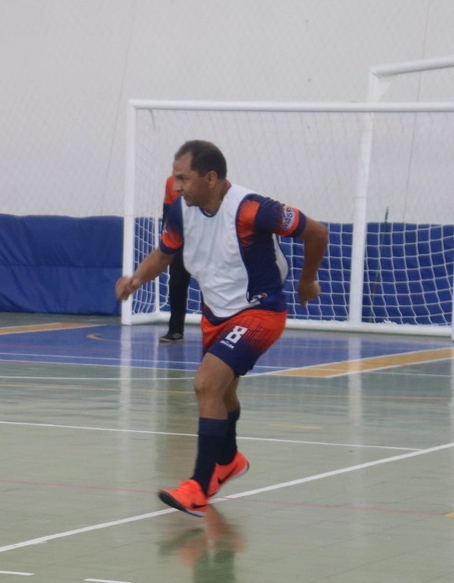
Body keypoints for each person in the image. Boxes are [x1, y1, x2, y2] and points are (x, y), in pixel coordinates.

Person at [116, 139, 328, 516]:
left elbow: (318, 232)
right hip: (216, 313)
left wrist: (307, 280)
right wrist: (135, 281)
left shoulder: (253, 210)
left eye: (184, 177)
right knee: (223, 394)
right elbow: (165, 252)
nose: (176, 185)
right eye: (174, 177)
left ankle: (197, 486)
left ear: (210, 178)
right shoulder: (181, 210)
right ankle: (228, 460)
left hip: (259, 311)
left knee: (205, 384)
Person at [161, 174, 192, 343]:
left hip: (203, 242)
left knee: (209, 287)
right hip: (179, 242)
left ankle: (213, 329)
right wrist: (165, 239)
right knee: (176, 285)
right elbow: (167, 210)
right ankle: (175, 331)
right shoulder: (171, 181)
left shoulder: (205, 181)